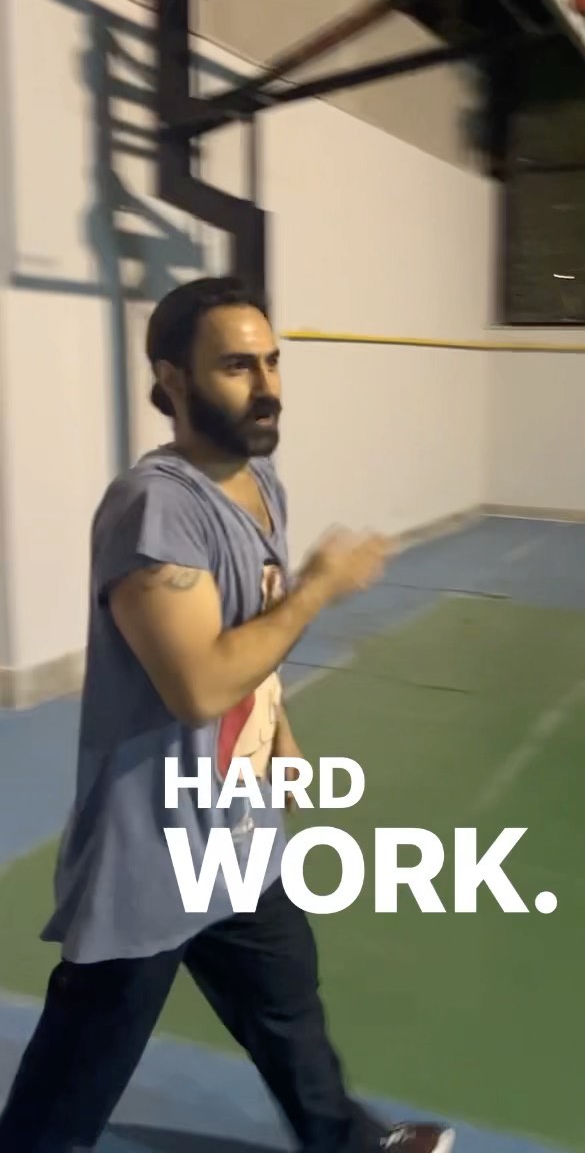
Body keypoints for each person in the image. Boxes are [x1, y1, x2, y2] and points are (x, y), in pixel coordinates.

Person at [0, 277, 455, 1153]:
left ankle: (347, 1142)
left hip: (236, 831)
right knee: (83, 1061)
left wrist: (277, 733)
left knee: (287, 1004)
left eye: (273, 362)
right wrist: (322, 587)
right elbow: (199, 685)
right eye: (238, 366)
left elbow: (252, 632)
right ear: (172, 379)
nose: (267, 384)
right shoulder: (156, 509)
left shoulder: (260, 483)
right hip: (155, 845)